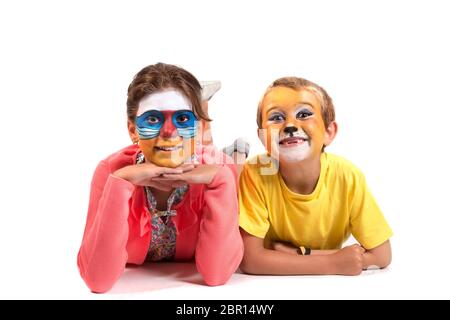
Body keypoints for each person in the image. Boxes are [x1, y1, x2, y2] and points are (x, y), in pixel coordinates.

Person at [77, 63, 243, 293]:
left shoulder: (219, 169)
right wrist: (120, 182)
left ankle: (228, 143)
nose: (168, 131)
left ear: (198, 126)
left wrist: (222, 179)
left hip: (211, 157)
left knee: (231, 161)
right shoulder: (110, 171)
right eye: (153, 120)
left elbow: (216, 275)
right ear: (133, 130)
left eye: (183, 119)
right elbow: (97, 280)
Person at [238, 77, 393, 276]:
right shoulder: (255, 172)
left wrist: (302, 254)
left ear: (329, 131)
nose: (290, 126)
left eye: (304, 114)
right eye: (276, 118)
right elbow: (251, 260)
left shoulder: (347, 176)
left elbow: (382, 255)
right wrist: (332, 263)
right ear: (262, 137)